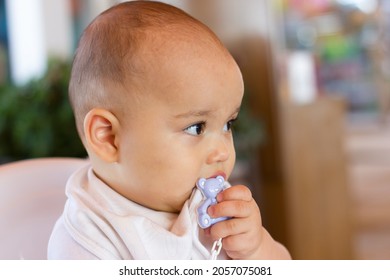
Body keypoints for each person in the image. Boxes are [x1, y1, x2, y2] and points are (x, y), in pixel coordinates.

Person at [48, 0, 291, 260]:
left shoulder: (211, 204)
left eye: (227, 125)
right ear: (109, 138)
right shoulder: (87, 240)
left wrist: (256, 248)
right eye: (196, 128)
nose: (222, 151)